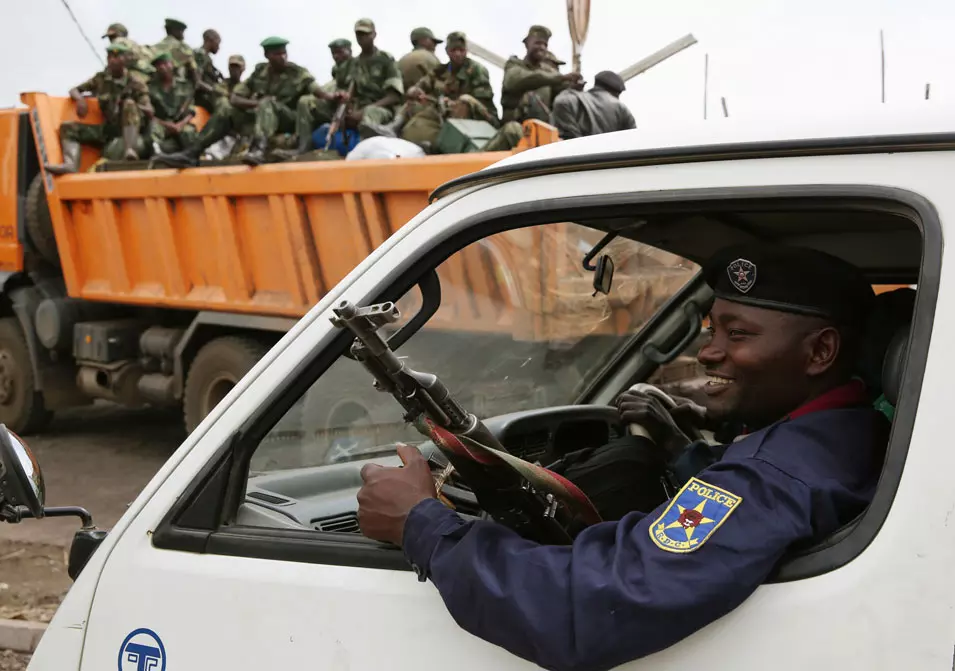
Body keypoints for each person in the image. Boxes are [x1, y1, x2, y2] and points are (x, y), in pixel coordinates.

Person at [355, 243, 887, 670]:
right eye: (711, 329)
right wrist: (683, 449)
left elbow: (584, 608)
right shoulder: (846, 430)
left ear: (820, 352)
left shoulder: (771, 475)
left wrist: (421, 525)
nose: (708, 351)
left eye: (739, 334)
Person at [369, 31, 499, 149]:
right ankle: (394, 127)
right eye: (454, 50)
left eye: (461, 50)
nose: (458, 54)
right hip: (446, 112)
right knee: (415, 103)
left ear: (466, 51)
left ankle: (448, 145)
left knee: (464, 100)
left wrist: (452, 103)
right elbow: (420, 86)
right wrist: (415, 91)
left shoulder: (476, 70)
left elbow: (481, 102)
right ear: (447, 51)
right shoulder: (440, 71)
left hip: (480, 117)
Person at [228, 37, 342, 164]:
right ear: (267, 55)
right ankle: (256, 147)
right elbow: (235, 98)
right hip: (268, 119)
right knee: (258, 106)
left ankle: (260, 149)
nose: (282, 57)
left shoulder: (297, 72)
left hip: (293, 119)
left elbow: (318, 91)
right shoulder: (259, 73)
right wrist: (257, 103)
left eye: (284, 53)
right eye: (277, 54)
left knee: (273, 103)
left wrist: (333, 96)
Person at [45, 43, 153, 174]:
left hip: (128, 128)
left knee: (129, 104)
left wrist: (131, 104)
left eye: (117, 56)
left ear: (125, 60)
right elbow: (74, 89)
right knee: (68, 128)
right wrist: (80, 100)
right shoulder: (101, 79)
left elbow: (148, 109)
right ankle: (70, 164)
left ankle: (129, 150)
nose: (112, 60)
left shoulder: (135, 82)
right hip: (108, 128)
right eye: (109, 57)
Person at [482, 25, 582, 152]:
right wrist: (560, 78)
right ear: (527, 44)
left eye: (545, 45)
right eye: (538, 43)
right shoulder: (514, 66)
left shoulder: (549, 73)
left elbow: (562, 94)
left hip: (541, 135)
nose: (542, 47)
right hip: (515, 134)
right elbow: (520, 80)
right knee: (512, 129)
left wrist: (574, 86)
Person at [334, 18, 403, 139]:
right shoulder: (353, 63)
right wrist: (349, 110)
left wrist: (364, 111)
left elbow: (394, 96)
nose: (362, 37)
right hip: (358, 109)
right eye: (359, 34)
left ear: (374, 35)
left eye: (366, 34)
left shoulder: (385, 59)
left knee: (370, 113)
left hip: (382, 109)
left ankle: (367, 151)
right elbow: (348, 93)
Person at [551, 70, 636, 140]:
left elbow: (561, 103)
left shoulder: (569, 98)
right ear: (617, 92)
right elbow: (632, 140)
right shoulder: (621, 107)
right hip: (611, 158)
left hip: (575, 156)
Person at [147, 52, 197, 154]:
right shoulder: (150, 88)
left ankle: (192, 156)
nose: (162, 67)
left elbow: (191, 111)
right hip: (161, 124)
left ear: (172, 64)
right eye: (159, 65)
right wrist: (167, 125)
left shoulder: (184, 85)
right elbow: (150, 115)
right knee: (153, 129)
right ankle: (157, 153)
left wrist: (179, 125)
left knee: (189, 132)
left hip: (180, 124)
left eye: (165, 63)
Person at [152, 18, 198, 85]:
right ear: (174, 31)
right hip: (177, 85)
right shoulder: (182, 47)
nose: (183, 35)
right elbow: (192, 69)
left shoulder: (157, 45)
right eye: (181, 31)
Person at [397, 27, 442, 92]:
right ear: (422, 40)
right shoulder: (431, 57)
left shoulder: (402, 60)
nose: (435, 45)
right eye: (433, 41)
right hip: (425, 99)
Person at [193, 29, 227, 115]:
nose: (218, 47)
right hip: (201, 96)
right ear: (210, 40)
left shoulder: (207, 57)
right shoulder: (200, 55)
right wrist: (217, 92)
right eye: (218, 43)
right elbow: (197, 82)